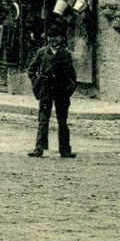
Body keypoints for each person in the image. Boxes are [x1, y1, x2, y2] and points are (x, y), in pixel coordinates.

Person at [27, 24, 78, 158]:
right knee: (43, 119)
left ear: (61, 38)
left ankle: (65, 150)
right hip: (46, 90)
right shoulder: (42, 52)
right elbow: (31, 70)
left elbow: (72, 75)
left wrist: (69, 89)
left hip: (61, 92)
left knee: (62, 121)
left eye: (55, 37)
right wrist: (36, 82)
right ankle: (39, 148)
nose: (52, 39)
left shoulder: (66, 54)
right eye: (50, 36)